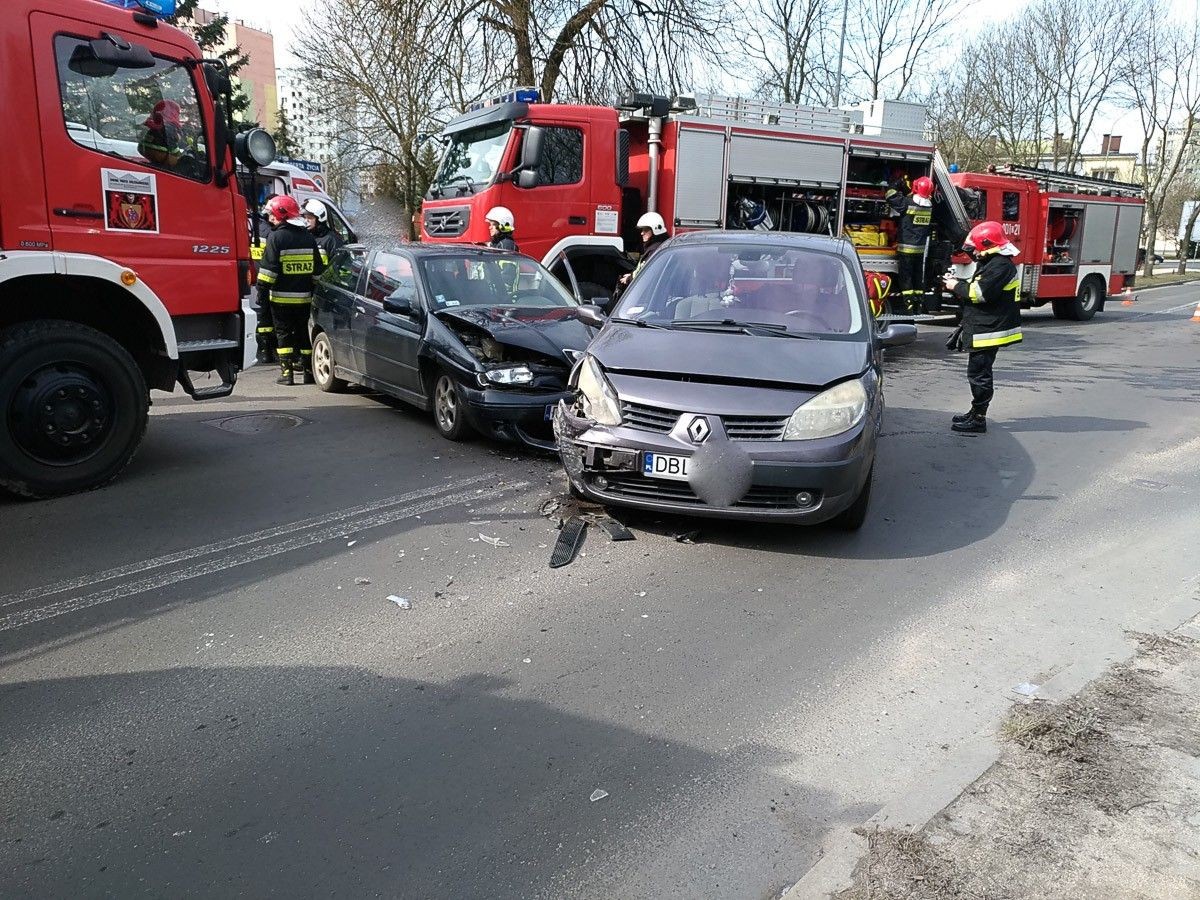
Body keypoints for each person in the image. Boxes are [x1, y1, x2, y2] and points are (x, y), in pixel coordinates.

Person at [942, 220, 1023, 434]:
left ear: (988, 245)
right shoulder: (994, 262)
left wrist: (955, 285)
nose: (975, 252)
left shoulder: (999, 266)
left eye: (978, 248)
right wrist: (958, 281)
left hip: (989, 329)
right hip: (986, 326)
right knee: (978, 372)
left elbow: (979, 294)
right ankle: (975, 411)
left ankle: (978, 418)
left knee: (979, 374)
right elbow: (979, 285)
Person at [255, 195, 324, 386]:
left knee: (284, 334)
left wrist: (262, 292)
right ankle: (309, 373)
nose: (271, 218)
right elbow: (317, 270)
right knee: (303, 334)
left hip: (281, 300)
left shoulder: (276, 237)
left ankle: (287, 374)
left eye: (273, 214)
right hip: (304, 299)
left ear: (280, 214)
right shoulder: (308, 238)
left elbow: (268, 271)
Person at [887, 175, 934, 312]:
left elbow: (890, 196)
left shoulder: (907, 203)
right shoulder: (929, 207)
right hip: (920, 249)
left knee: (905, 276)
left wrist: (896, 184)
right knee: (917, 276)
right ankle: (918, 303)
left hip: (906, 249)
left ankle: (908, 303)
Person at [614, 212, 671, 298]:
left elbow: (647, 273)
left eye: (645, 230)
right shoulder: (655, 247)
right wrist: (631, 275)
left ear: (655, 230)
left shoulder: (655, 250)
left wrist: (629, 279)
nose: (642, 233)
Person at [302, 198, 344, 265]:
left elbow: (339, 264)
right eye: (304, 217)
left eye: (309, 218)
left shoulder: (332, 240)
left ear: (319, 219)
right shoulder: (305, 237)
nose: (306, 221)